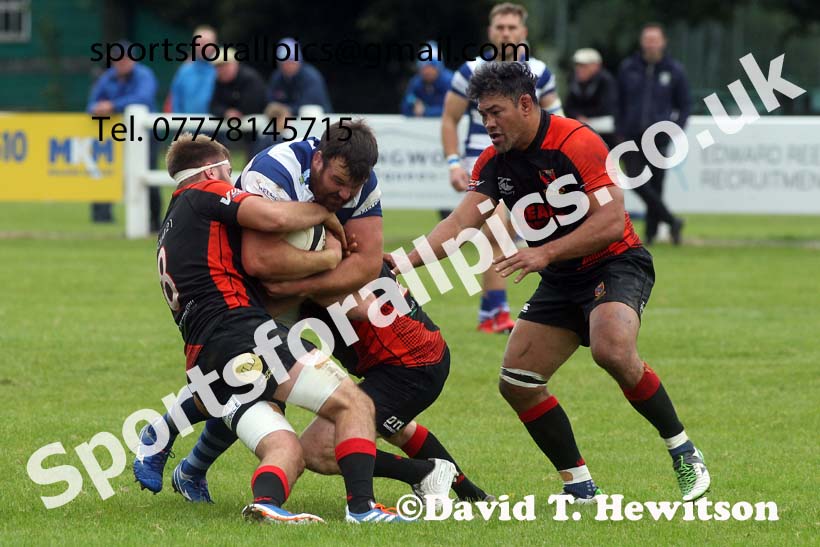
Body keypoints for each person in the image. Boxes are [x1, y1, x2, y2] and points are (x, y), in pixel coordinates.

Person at [397, 62, 710, 503]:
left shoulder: (575, 141)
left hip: (615, 263)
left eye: (495, 112)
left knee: (612, 349)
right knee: (518, 382)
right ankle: (580, 487)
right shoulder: (493, 161)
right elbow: (460, 224)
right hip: (563, 277)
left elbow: (610, 220)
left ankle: (683, 451)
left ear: (526, 104)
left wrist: (542, 252)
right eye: (482, 114)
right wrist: (400, 263)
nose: (487, 123)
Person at [137, 133, 405, 523]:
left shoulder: (174, 221)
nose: (235, 182)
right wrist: (326, 225)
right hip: (240, 330)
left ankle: (262, 502)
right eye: (230, 173)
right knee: (353, 402)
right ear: (211, 171)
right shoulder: (206, 192)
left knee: (286, 446)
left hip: (206, 347)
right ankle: (362, 508)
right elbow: (274, 217)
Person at [153, 261, 492, 506]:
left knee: (317, 449)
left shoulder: (312, 262)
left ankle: (422, 473)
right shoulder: (320, 249)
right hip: (404, 360)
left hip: (410, 366)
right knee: (385, 423)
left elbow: (363, 305)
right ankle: (469, 493)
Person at [441, 2, 563, 334]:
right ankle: (497, 312)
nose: (506, 32)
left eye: (512, 27)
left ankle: (489, 312)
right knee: (496, 230)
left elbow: (558, 118)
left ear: (523, 33)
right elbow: (450, 119)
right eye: (500, 27)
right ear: (491, 32)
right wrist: (454, 162)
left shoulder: (539, 71)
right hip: (483, 161)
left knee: (507, 234)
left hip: (527, 164)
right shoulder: (470, 71)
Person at [616, 23, 689, 245]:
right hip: (631, 135)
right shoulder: (628, 68)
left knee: (657, 184)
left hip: (659, 136)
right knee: (636, 180)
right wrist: (619, 130)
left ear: (663, 42)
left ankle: (651, 234)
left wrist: (674, 129)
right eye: (647, 39)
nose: (651, 44)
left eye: (655, 39)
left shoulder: (674, 70)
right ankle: (671, 220)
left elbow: (684, 105)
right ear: (642, 42)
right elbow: (618, 102)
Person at [87, 40, 159, 227]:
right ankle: (102, 216)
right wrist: (97, 108)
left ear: (132, 59)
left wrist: (112, 105)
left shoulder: (144, 75)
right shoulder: (108, 78)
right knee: (107, 172)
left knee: (147, 175)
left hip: (144, 136)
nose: (120, 64)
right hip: (117, 136)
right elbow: (92, 103)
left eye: (124, 59)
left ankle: (154, 220)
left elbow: (143, 98)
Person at [209, 47, 268, 159]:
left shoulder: (250, 78)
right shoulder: (219, 82)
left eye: (225, 65)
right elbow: (213, 106)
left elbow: (254, 105)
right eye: (218, 66)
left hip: (259, 131)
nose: (222, 69)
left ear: (235, 64)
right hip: (235, 129)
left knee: (257, 159)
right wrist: (226, 112)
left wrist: (237, 112)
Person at [564, 48, 618, 149]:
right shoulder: (573, 80)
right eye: (577, 65)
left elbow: (607, 107)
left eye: (584, 65)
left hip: (604, 129)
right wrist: (578, 116)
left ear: (596, 66)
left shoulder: (606, 80)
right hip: (581, 125)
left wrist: (584, 116)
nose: (579, 69)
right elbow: (568, 106)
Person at [268, 37, 333, 114]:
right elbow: (271, 102)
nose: (287, 66)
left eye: (291, 61)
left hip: (318, 121)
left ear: (299, 61)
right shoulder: (277, 77)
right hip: (285, 121)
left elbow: (309, 104)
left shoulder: (311, 77)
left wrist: (285, 110)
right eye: (284, 63)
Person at [169, 25, 217, 114]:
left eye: (207, 42)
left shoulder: (221, 71)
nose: (203, 46)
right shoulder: (184, 71)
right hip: (187, 126)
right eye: (200, 42)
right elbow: (176, 102)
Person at [401, 42, 453, 117]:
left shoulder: (450, 81)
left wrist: (426, 111)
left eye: (431, 66)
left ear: (438, 67)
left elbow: (455, 109)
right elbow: (405, 106)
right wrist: (413, 105)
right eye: (423, 66)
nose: (426, 71)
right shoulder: (416, 82)